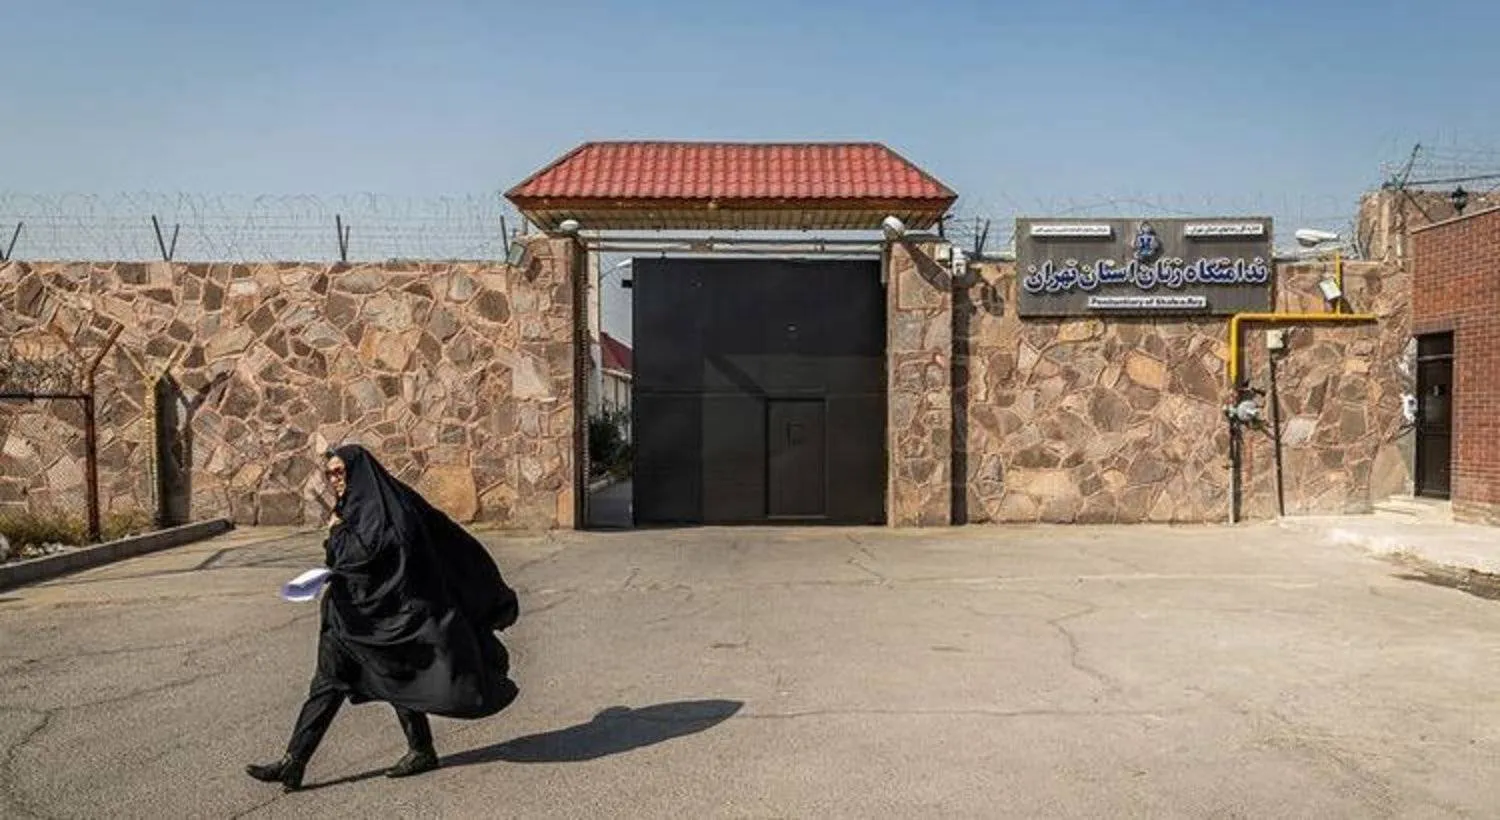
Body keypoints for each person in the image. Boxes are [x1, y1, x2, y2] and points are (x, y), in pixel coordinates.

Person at [246, 444, 520, 792]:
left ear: (358, 471)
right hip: (347, 617)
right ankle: (294, 762)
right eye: (330, 473)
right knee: (327, 685)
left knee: (396, 680)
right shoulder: (353, 506)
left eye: (340, 472)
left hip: (384, 619)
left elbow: (375, 554)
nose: (335, 480)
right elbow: (344, 557)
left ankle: (421, 750)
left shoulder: (389, 508)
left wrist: (337, 532)